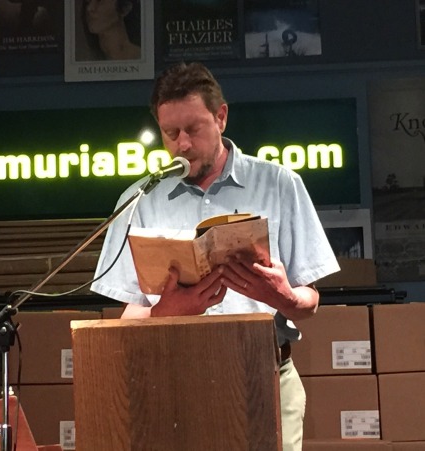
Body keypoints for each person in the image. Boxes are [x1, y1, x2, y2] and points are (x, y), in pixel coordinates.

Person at [91, 62, 340, 451]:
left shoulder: (280, 185)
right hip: (174, 383)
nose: (182, 144)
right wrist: (167, 312)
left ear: (221, 117)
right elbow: (130, 317)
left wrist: (283, 296)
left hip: (266, 378)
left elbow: (308, 304)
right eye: (170, 133)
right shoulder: (138, 200)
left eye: (193, 129)